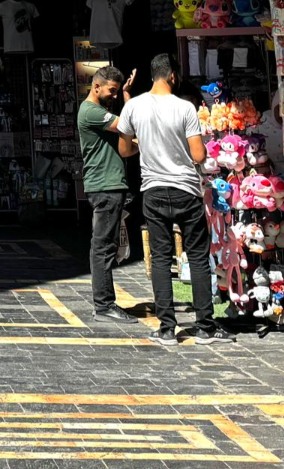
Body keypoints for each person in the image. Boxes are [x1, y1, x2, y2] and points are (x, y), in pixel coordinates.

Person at [119, 53, 232, 343]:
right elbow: (198, 154)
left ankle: (167, 328)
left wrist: (144, 146)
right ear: (172, 76)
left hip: (153, 190)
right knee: (197, 256)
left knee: (160, 258)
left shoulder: (133, 106)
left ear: (153, 75)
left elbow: (124, 150)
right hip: (185, 190)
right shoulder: (185, 108)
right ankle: (205, 326)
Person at [78, 66, 137, 323]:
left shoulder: (99, 111)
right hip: (104, 186)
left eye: (116, 91)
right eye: (111, 91)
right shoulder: (91, 111)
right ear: (96, 86)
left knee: (106, 245)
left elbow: (127, 139)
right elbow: (127, 125)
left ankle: (104, 303)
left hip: (109, 186)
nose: (113, 96)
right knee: (102, 247)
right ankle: (103, 305)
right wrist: (127, 97)